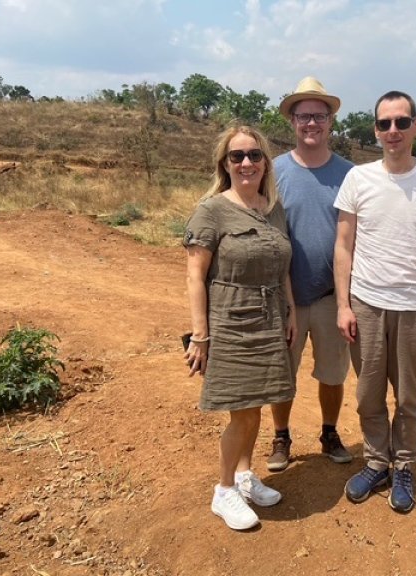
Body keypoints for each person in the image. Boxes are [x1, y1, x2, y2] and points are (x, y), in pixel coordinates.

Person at [333, 90, 416, 513]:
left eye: (401, 122)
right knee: (369, 394)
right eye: (384, 123)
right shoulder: (358, 179)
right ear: (375, 130)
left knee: (408, 395)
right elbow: (343, 246)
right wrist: (343, 305)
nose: (393, 131)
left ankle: (403, 465)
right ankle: (375, 462)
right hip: (366, 304)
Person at [183, 124, 297, 530]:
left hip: (270, 320)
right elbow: (196, 276)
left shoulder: (273, 207)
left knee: (259, 403)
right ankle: (225, 489)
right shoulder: (212, 210)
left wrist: (292, 313)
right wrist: (201, 335)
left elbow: (283, 267)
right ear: (225, 164)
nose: (246, 162)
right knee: (243, 413)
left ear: (266, 162)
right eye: (237, 156)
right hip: (230, 320)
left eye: (254, 155)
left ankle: (246, 477)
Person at [266, 76, 354, 472]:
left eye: (319, 115)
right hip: (285, 298)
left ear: (331, 119)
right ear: (292, 122)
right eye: (304, 116)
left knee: (333, 374)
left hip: (333, 296)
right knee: (283, 373)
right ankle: (281, 435)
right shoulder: (273, 171)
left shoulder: (352, 174)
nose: (311, 123)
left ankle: (330, 432)